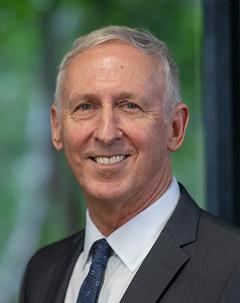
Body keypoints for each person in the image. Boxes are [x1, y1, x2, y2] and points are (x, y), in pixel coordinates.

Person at [20, 26, 240, 303]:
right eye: (86, 107)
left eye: (130, 106)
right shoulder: (42, 271)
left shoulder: (233, 268)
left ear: (175, 128)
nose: (106, 132)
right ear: (56, 128)